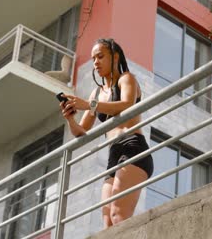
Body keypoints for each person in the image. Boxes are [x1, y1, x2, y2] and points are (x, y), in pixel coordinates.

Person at [59, 38, 153, 228]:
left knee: (119, 215)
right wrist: (70, 119)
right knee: (108, 223)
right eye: (94, 58)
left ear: (115, 56)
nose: (96, 62)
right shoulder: (96, 93)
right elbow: (82, 132)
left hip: (133, 147)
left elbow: (126, 104)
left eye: (101, 56)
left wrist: (88, 105)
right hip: (114, 155)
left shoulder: (127, 79)